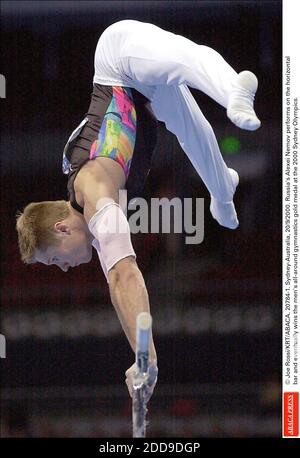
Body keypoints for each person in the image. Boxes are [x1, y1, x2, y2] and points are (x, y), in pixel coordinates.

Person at [16, 19, 261, 402]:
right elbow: (117, 283)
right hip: (146, 101)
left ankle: (233, 89)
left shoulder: (95, 192)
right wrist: (141, 353)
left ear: (63, 228)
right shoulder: (94, 219)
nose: (61, 269)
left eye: (53, 261)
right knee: (191, 131)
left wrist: (145, 357)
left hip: (118, 61)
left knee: (184, 60)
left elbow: (123, 277)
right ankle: (222, 188)